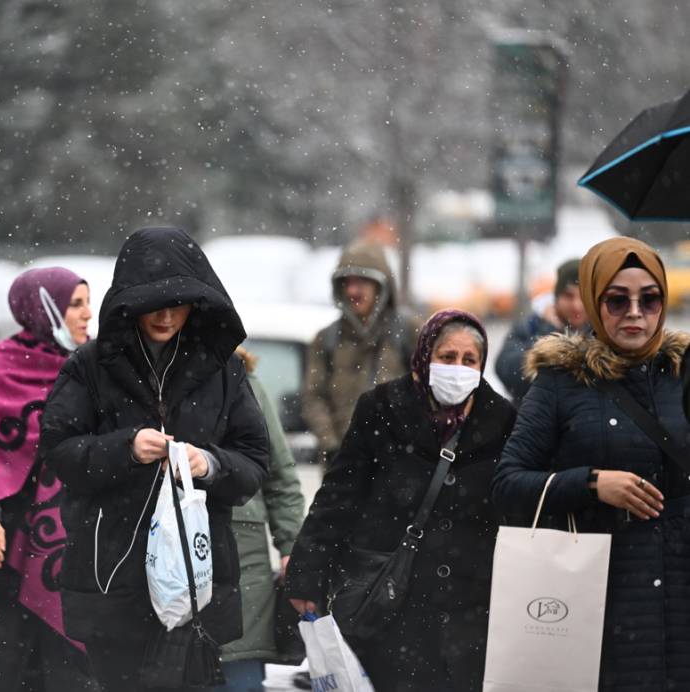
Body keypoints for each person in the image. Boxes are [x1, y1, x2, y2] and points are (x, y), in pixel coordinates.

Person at [39, 226, 270, 691]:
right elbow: (59, 452)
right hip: (112, 579)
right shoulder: (90, 366)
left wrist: (208, 464)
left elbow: (253, 462)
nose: (166, 315)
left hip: (196, 582)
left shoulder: (222, 370)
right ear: (130, 303)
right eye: (153, 304)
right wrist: (126, 449)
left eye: (178, 303)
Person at [493, 237, 690, 691]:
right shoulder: (561, 381)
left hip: (680, 596)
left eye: (650, 298)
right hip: (597, 605)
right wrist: (591, 483)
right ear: (592, 301)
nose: (635, 312)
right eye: (617, 300)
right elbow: (508, 483)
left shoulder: (682, 374)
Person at [287, 310, 517, 691]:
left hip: (468, 611)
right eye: (447, 357)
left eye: (469, 360)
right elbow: (338, 497)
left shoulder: (503, 421)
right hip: (389, 604)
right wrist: (307, 573)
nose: (457, 368)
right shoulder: (381, 408)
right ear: (425, 356)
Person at [0, 267, 97, 692]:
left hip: (74, 555)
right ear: (44, 310)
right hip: (5, 556)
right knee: (0, 671)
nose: (88, 314)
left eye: (88, 302)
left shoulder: (92, 370)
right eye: (76, 305)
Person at [216, 348, 305, 692]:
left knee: (239, 678)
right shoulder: (149, 382)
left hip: (243, 565)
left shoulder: (245, 384)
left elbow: (280, 476)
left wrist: (291, 547)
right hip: (167, 564)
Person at [302, 241, 417, 467]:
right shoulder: (326, 340)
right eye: (347, 282)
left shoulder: (407, 332)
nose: (353, 291)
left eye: (362, 282)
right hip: (342, 468)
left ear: (381, 287)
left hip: (399, 465)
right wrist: (333, 446)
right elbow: (313, 398)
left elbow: (427, 393)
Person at [495, 258, 588, 405]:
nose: (576, 305)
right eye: (569, 296)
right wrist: (550, 334)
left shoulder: (603, 331)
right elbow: (508, 372)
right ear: (556, 298)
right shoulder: (531, 326)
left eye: (583, 297)